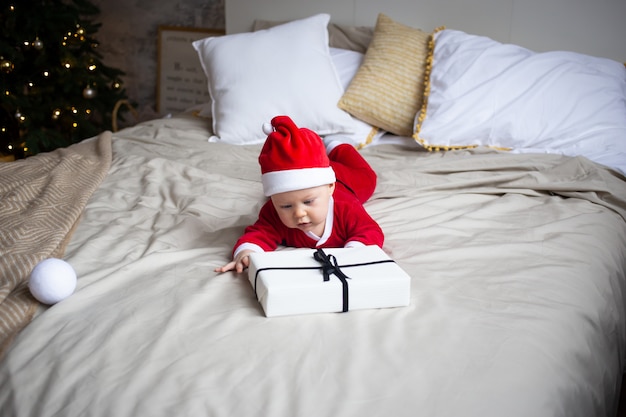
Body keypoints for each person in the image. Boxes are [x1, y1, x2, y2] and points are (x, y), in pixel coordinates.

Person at [215, 115, 384, 273]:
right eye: (286, 205)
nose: (298, 213)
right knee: (294, 185)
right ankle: (315, 159)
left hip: (342, 179)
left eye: (309, 202)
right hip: (308, 173)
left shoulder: (345, 207)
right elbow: (259, 233)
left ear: (330, 187)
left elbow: (370, 231)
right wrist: (246, 252)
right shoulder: (274, 212)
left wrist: (353, 253)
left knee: (367, 179)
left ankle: (337, 145)